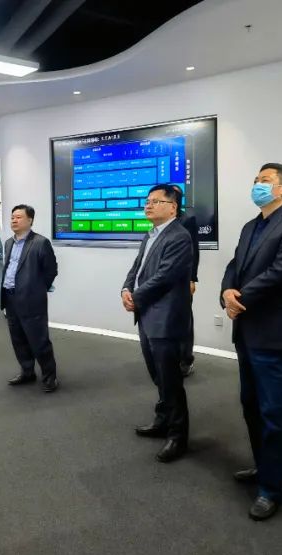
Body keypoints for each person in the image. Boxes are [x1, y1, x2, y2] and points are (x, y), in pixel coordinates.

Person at [220, 163, 282, 521]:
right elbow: (235, 265)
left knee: (274, 411)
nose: (257, 185)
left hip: (275, 330)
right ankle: (263, 466)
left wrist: (239, 297)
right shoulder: (251, 225)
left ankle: (271, 489)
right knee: (251, 404)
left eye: (265, 181)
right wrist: (227, 291)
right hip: (247, 329)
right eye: (256, 180)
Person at [122, 185, 194, 463]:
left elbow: (165, 276)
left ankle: (178, 436)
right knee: (158, 376)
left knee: (170, 379)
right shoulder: (150, 234)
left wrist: (136, 297)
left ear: (172, 207)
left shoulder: (179, 236)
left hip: (165, 317)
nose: (148, 205)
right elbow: (137, 267)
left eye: (156, 201)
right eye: (148, 201)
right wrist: (126, 288)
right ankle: (163, 420)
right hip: (147, 314)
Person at [0, 204, 59, 393]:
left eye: (18, 217)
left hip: (31, 299)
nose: (14, 220)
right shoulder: (8, 243)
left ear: (30, 220)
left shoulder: (40, 242)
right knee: (18, 339)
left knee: (39, 340)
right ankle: (27, 372)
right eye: (12, 217)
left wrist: (37, 289)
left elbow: (51, 270)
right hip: (10, 297)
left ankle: (50, 376)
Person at [179, 191, 202, 377]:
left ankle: (186, 360)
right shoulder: (158, 223)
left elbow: (194, 251)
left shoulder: (187, 220)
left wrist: (191, 278)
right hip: (162, 281)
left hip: (183, 279)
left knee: (184, 320)